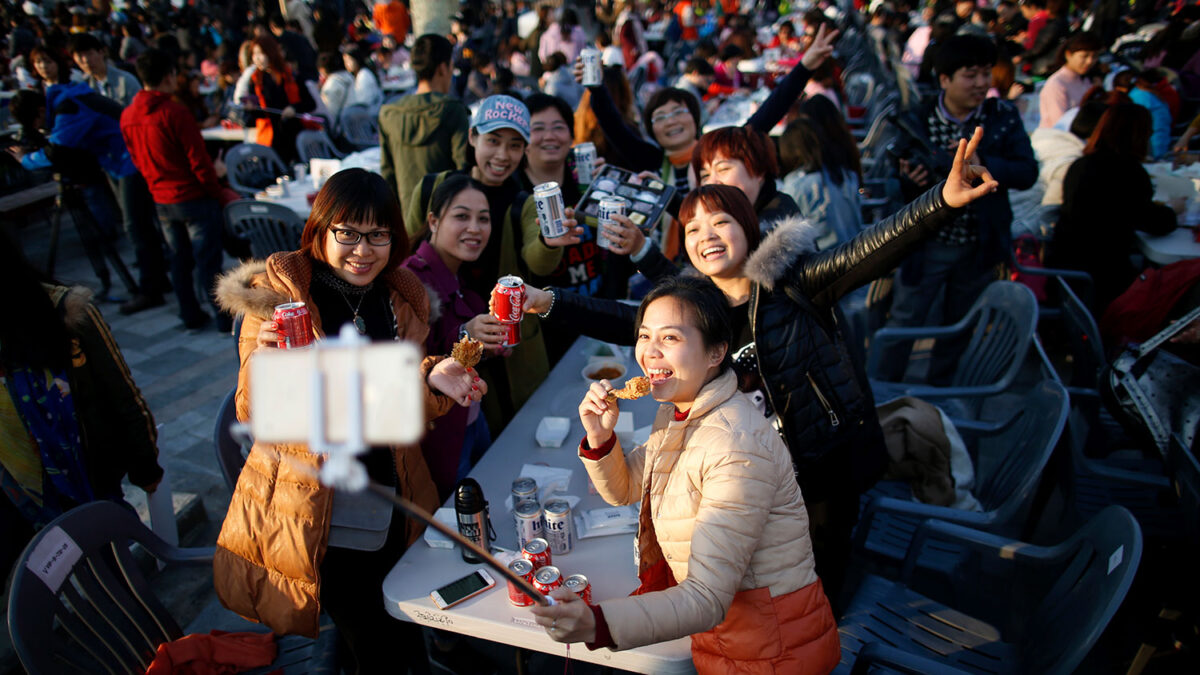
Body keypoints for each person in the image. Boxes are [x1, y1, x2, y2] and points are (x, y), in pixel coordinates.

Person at [522, 129, 999, 605]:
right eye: (693, 229)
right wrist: (549, 301)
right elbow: (628, 319)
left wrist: (944, 199)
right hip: (747, 477)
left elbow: (871, 249)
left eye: (721, 222)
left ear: (749, 228)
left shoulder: (796, 281)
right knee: (764, 595)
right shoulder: (697, 309)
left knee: (818, 594)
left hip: (818, 476)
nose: (706, 236)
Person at [213, 169, 481, 674]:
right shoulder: (277, 301)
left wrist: (432, 378)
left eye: (378, 234)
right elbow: (255, 413)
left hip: (393, 500)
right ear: (319, 231)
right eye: (348, 233)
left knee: (398, 634)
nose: (364, 249)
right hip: (324, 515)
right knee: (385, 653)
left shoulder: (398, 298)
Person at [531, 275, 840, 672]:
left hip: (771, 649)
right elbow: (626, 489)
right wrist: (600, 438)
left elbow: (706, 599)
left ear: (716, 352)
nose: (650, 352)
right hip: (727, 637)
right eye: (644, 336)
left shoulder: (735, 446)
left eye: (671, 339)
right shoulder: (683, 409)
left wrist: (597, 622)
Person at [404, 95, 580, 433]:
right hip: (444, 334)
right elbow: (409, 252)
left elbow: (538, 260)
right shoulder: (432, 187)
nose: (502, 155)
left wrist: (548, 241)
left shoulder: (522, 204)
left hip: (510, 342)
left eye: (514, 145)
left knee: (512, 431)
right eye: (493, 141)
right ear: (472, 138)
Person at [0, 232, 163, 580]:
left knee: (117, 581)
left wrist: (146, 468)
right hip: (19, 502)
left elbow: (124, 398)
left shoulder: (66, 312)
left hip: (91, 484)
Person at [881, 34, 1037, 385]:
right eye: (971, 74)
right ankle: (885, 391)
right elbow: (891, 180)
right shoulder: (917, 119)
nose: (982, 83)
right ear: (945, 79)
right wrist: (910, 181)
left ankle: (940, 396)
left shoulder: (1002, 117)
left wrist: (985, 163)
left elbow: (1028, 172)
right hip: (925, 243)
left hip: (977, 244)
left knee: (958, 326)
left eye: (986, 73)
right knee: (905, 320)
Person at [401, 175, 502, 500]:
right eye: (461, 216)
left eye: (483, 219)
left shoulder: (458, 272)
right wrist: (465, 335)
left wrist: (490, 344)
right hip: (441, 435)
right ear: (433, 220)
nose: (475, 228)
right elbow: (407, 365)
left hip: (472, 418)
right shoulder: (410, 280)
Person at [121, 49, 229, 331]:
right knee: (207, 262)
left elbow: (136, 160)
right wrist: (216, 190)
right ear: (169, 76)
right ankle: (221, 318)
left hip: (161, 197)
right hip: (193, 197)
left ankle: (190, 314)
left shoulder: (128, 115)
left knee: (180, 260)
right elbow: (199, 161)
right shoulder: (174, 112)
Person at [1048, 101, 1179, 311]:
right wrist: (1174, 209)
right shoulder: (1129, 173)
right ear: (1139, 135)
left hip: (1064, 270)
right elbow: (1156, 222)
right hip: (1102, 279)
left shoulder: (1081, 165)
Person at [379, 34, 468, 209]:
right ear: (443, 68)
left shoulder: (389, 113)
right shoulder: (452, 110)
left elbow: (387, 175)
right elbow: (463, 170)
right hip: (445, 216)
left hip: (406, 219)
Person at [247, 35, 316, 164]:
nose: (256, 58)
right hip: (272, 138)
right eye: (254, 54)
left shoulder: (291, 75)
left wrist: (294, 108)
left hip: (295, 134)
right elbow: (256, 116)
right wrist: (250, 109)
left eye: (260, 53)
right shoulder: (255, 81)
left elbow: (310, 103)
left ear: (271, 52)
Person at [1038, 32, 1101, 129]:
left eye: (1095, 56)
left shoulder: (1087, 79)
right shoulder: (1056, 84)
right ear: (1068, 55)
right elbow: (1060, 124)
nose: (1090, 61)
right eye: (1084, 56)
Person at [69, 33, 141, 107]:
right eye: (80, 56)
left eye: (89, 54)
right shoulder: (81, 86)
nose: (86, 60)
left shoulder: (126, 80)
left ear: (101, 52)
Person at [268, 12, 318, 84]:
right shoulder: (300, 37)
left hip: (298, 78)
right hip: (312, 73)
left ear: (272, 27)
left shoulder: (279, 43)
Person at [317, 51, 355, 129]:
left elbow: (331, 113)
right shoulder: (350, 77)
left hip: (345, 129)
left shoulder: (330, 86)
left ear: (323, 69)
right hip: (358, 121)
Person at [342, 44, 383, 110]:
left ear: (357, 59)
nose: (347, 64)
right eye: (345, 61)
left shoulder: (364, 75)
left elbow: (365, 102)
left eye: (349, 60)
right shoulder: (357, 74)